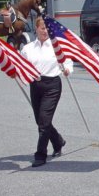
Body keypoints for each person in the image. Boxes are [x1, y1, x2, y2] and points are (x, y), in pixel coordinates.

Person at [21, 16, 73, 167]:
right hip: (35, 85)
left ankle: (40, 154)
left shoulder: (56, 47)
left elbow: (67, 61)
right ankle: (58, 141)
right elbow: (21, 65)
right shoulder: (28, 48)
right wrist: (15, 72)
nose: (45, 31)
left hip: (52, 85)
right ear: (36, 28)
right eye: (42, 28)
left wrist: (67, 69)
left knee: (43, 121)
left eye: (47, 29)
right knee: (41, 121)